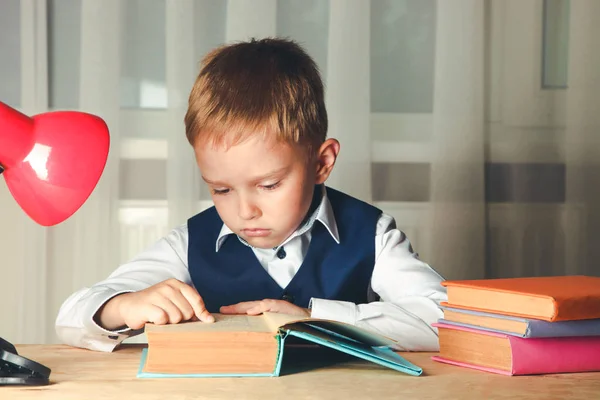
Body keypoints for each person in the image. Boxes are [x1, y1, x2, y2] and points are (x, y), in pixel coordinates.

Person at [55, 38, 447, 353]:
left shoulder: (373, 233)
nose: (245, 210)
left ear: (321, 163)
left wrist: (314, 319)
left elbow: (447, 322)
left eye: (269, 185)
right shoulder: (189, 243)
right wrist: (120, 307)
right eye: (220, 189)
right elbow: (71, 317)